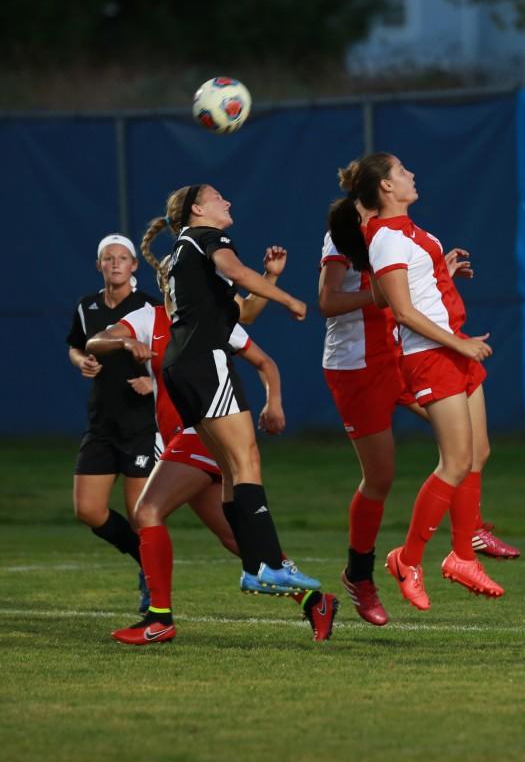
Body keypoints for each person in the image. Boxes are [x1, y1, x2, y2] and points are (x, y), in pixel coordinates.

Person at [86, 255, 337, 643]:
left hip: (201, 434)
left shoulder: (207, 321)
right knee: (237, 539)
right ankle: (315, 601)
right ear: (167, 280)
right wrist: (123, 340)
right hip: (186, 440)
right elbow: (95, 341)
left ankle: (159, 618)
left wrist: (274, 403)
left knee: (147, 510)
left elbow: (264, 362)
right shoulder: (147, 318)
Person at [320, 202, 519, 625]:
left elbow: (406, 294)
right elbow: (327, 300)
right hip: (360, 364)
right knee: (382, 477)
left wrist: (430, 272)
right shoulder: (354, 234)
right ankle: (362, 574)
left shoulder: (398, 234)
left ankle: (468, 540)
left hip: (402, 351)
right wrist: (385, 292)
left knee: (471, 449)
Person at [141, 184, 321, 605]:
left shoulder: (185, 254)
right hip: (206, 362)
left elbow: (243, 312)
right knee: (247, 460)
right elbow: (238, 272)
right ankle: (270, 564)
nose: (228, 202)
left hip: (181, 367)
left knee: (228, 468)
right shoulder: (208, 237)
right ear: (198, 209)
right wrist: (289, 298)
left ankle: (253, 568)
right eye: (219, 197)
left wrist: (271, 279)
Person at [66, 234, 161, 613]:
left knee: (141, 515)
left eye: (123, 258)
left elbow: (171, 357)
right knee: (88, 509)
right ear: (99, 265)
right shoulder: (87, 306)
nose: (116, 264)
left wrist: (154, 382)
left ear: (135, 266)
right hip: (102, 423)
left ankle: (154, 586)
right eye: (109, 258)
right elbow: (76, 344)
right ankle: (147, 559)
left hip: (140, 425)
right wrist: (80, 361)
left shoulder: (149, 308)